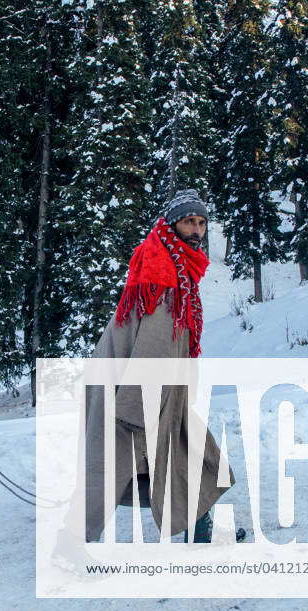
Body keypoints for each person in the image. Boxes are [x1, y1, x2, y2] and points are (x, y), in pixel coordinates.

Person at [85, 189, 238, 543]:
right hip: (133, 392)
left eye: (201, 222)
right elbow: (155, 345)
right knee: (113, 468)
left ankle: (200, 533)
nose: (197, 230)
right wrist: (139, 411)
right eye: (189, 222)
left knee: (192, 457)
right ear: (172, 226)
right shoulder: (165, 275)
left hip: (149, 389)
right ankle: (75, 537)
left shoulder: (174, 267)